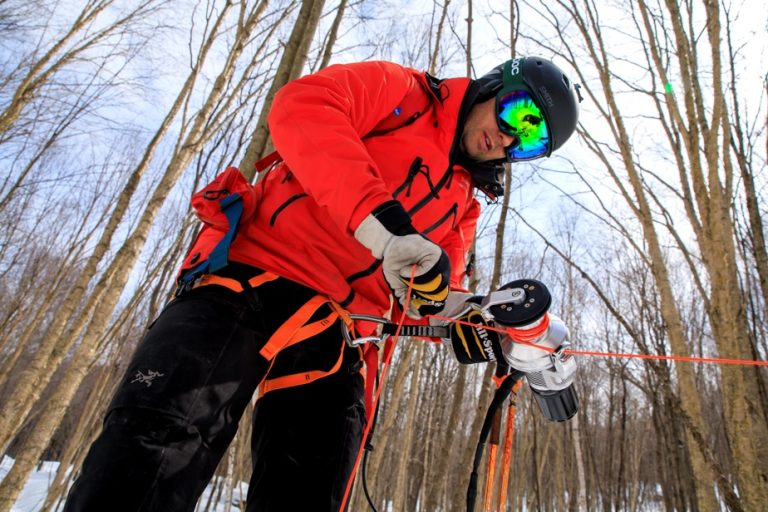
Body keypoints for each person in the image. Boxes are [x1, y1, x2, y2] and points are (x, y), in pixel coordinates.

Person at [63, 56, 581, 511]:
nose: (510, 138)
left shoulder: (464, 207)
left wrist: (470, 319)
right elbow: (303, 106)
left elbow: (430, 296)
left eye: (531, 141)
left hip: (342, 334)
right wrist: (383, 223)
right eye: (519, 113)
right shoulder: (405, 94)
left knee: (310, 488)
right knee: (155, 446)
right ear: (494, 86)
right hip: (250, 279)